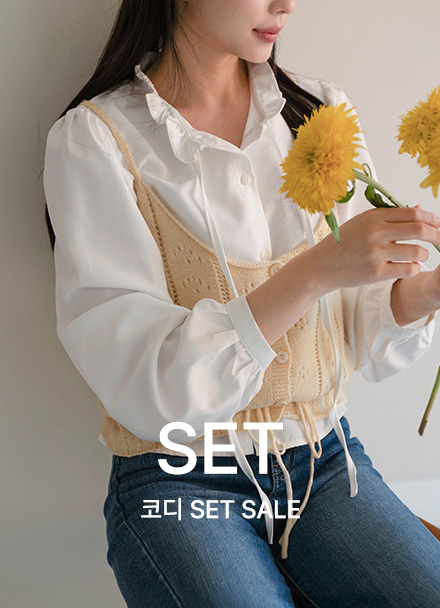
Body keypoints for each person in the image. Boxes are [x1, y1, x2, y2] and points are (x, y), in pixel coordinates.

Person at [43, 1, 440, 606]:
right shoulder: (97, 139)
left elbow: (351, 334)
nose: (285, 5)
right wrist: (315, 270)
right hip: (178, 478)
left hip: (325, 462)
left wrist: (423, 294)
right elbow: (147, 386)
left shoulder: (319, 113)